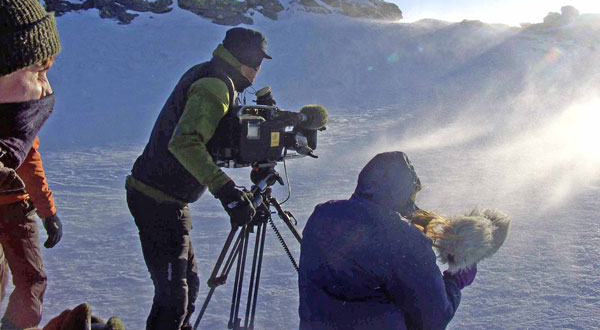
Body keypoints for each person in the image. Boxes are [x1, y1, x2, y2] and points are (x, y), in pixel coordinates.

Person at [126, 26, 272, 330]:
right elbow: (185, 143)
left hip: (164, 198)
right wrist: (228, 192)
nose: (258, 72)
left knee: (187, 287)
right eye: (259, 63)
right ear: (248, 60)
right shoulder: (216, 86)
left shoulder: (210, 73)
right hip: (158, 199)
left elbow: (209, 141)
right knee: (173, 299)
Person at [298, 151, 477, 330]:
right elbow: (433, 319)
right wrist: (454, 282)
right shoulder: (404, 239)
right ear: (404, 192)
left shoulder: (323, 216)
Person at [0, 0, 63, 330]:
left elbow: (29, 159)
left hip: (13, 205)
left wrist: (47, 210)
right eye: (39, 71)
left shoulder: (11, 145)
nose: (47, 91)